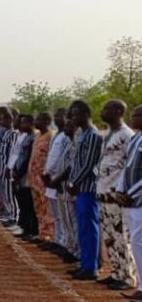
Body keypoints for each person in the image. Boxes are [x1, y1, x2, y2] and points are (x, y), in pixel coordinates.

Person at [94, 99, 136, 291]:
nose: (103, 111)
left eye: (107, 108)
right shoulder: (110, 134)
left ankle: (127, 276)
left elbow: (130, 166)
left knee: (121, 236)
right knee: (110, 236)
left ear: (118, 111)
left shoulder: (127, 136)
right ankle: (116, 272)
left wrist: (124, 190)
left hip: (116, 194)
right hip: (103, 192)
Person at [66, 100, 104, 281]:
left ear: (86, 114)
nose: (73, 118)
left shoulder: (94, 136)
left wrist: (75, 182)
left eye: (76, 114)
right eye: (72, 115)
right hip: (80, 188)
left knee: (89, 227)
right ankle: (86, 263)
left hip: (88, 188)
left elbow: (89, 164)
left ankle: (91, 268)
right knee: (83, 227)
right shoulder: (82, 135)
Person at [115, 105, 142, 302]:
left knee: (139, 242)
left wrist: (130, 193)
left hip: (138, 200)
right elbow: (127, 168)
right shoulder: (135, 139)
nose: (132, 118)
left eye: (136, 115)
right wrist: (120, 189)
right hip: (131, 201)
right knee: (136, 242)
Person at [41, 109, 74, 258]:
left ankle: (63, 242)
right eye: (55, 116)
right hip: (51, 178)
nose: (57, 119)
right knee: (56, 214)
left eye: (60, 116)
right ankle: (58, 239)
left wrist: (54, 177)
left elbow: (66, 161)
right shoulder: (57, 135)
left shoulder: (68, 137)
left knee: (64, 215)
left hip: (59, 179)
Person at [8, 114, 36, 239]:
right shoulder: (25, 137)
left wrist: (18, 174)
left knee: (28, 203)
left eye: (25, 123)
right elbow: (18, 156)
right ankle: (24, 227)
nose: (21, 125)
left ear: (31, 124)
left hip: (25, 175)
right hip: (19, 173)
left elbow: (27, 159)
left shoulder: (33, 138)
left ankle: (31, 230)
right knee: (22, 201)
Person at [27, 112, 53, 243]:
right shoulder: (37, 136)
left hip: (44, 179)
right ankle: (42, 233)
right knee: (38, 207)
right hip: (34, 178)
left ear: (47, 121)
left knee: (47, 207)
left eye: (39, 119)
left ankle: (50, 235)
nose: (36, 122)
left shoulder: (51, 137)